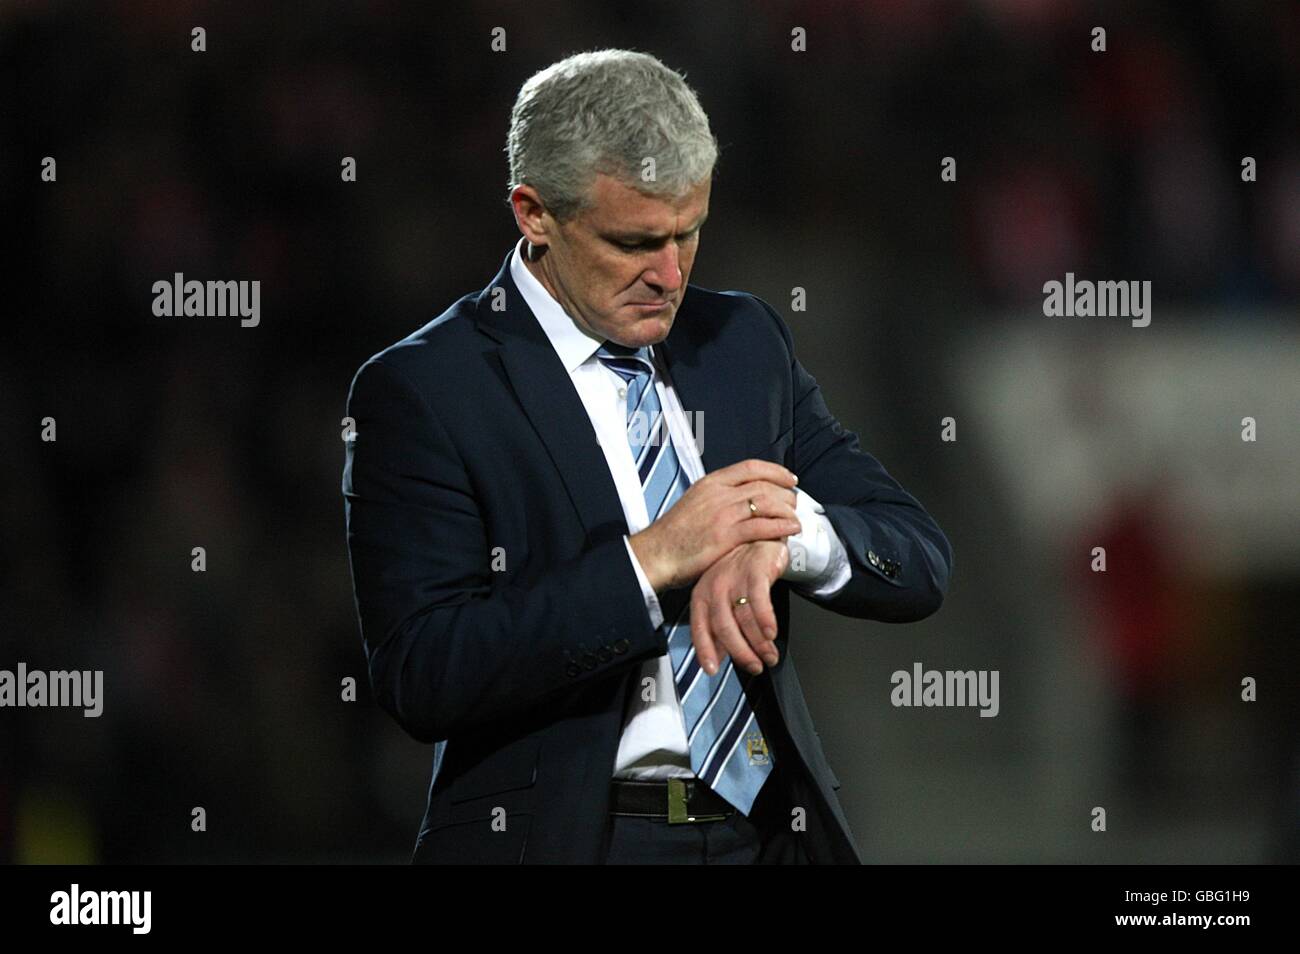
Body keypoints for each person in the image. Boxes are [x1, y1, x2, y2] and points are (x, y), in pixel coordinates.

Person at [341, 48, 952, 864]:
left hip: (770, 835)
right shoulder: (427, 389)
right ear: (534, 213)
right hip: (575, 841)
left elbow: (918, 558)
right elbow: (424, 671)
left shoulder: (740, 344)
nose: (669, 275)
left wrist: (785, 536)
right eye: (634, 242)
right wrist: (652, 559)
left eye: (688, 233)